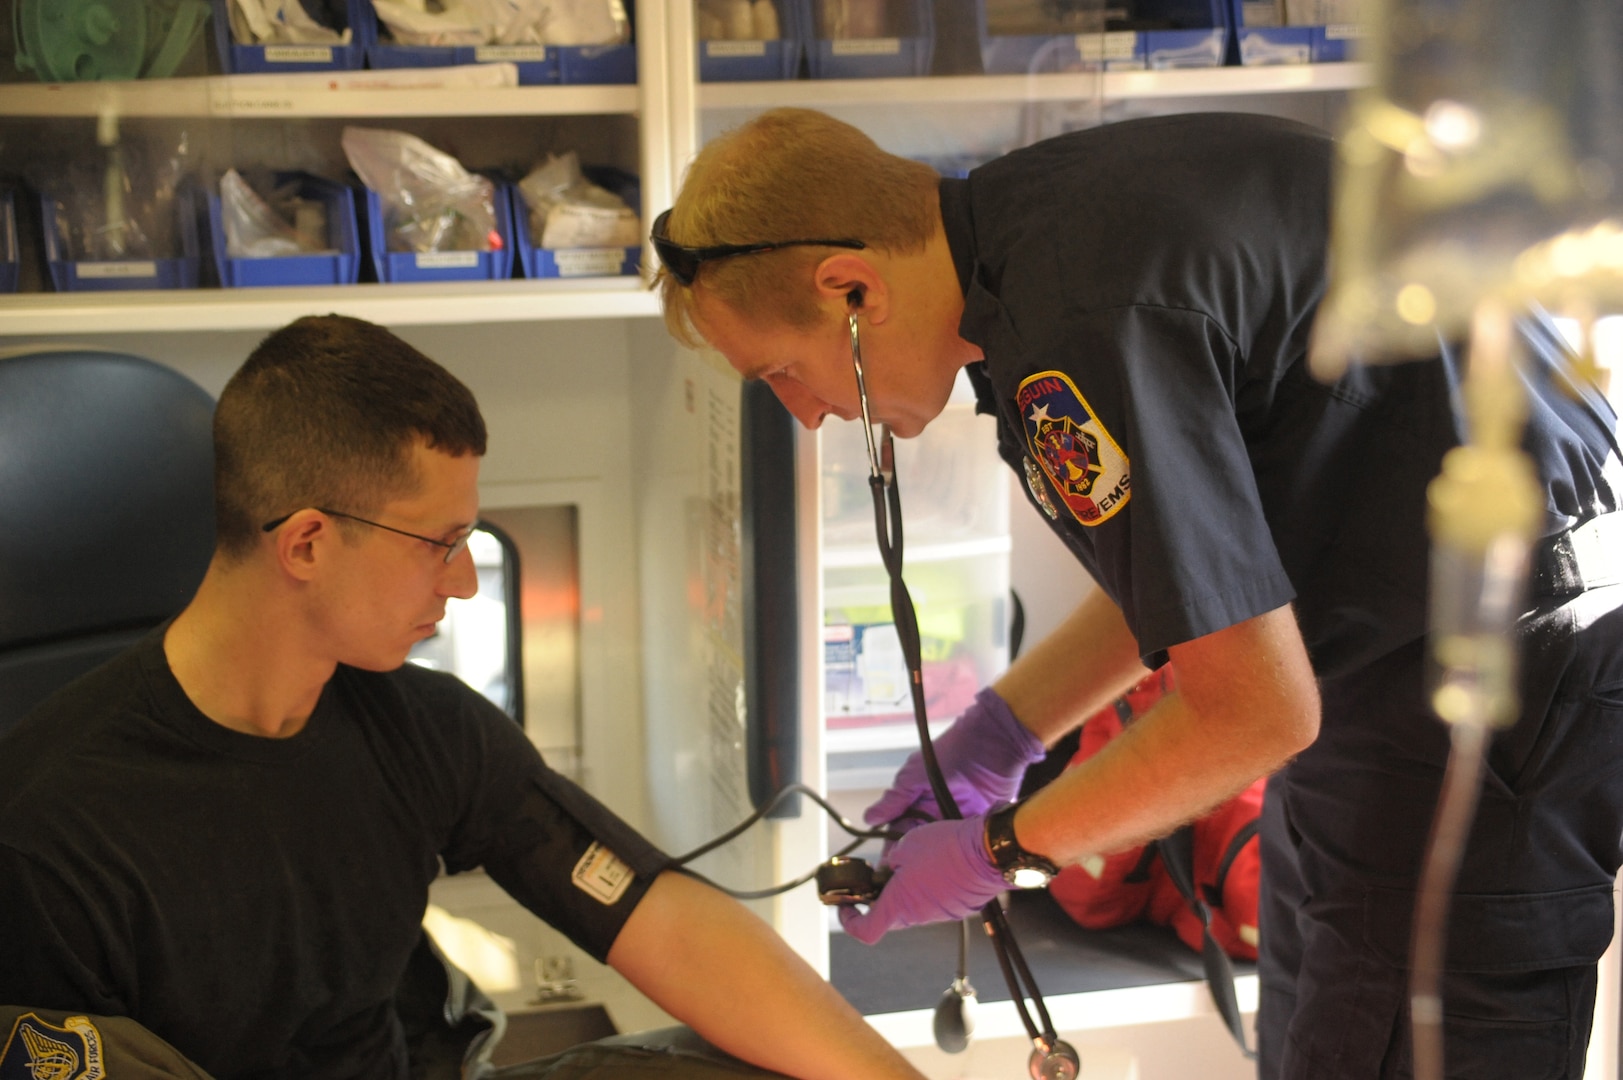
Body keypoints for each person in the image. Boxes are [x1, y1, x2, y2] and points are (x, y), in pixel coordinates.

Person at [649, 107, 1623, 1079]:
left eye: (784, 372)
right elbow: (1193, 567)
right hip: (1398, 654)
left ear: (853, 288)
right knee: (1322, 1035)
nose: (807, 414)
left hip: (1492, 675)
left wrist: (1005, 845)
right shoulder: (1022, 245)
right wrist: (1005, 732)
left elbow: (1257, 712)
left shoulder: (1077, 322)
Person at [0, 314, 928, 1080]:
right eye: (439, 545)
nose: (464, 585)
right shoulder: (49, 836)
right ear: (309, 544)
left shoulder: (418, 725)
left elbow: (661, 917)